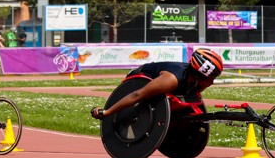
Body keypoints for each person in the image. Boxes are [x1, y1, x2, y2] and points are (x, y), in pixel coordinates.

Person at [90, 48, 223, 120]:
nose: (212, 82)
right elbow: (137, 94)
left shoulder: (195, 81)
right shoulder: (170, 80)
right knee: (143, 94)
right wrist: (107, 112)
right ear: (198, 76)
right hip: (140, 78)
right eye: (211, 78)